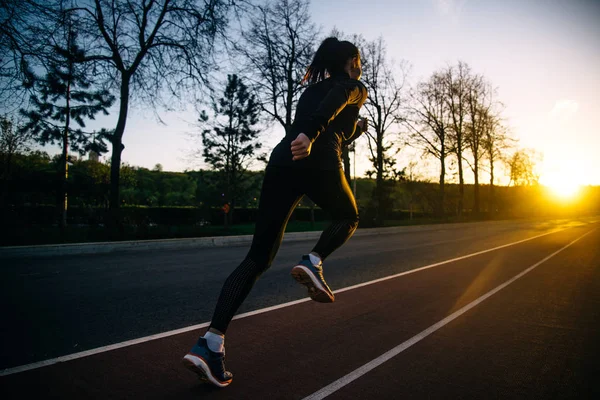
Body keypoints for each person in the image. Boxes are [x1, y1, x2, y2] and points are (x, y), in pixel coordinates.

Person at [182, 37, 369, 388]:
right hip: (317, 156)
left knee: (257, 258)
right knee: (350, 216)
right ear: (351, 61)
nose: (361, 66)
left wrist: (355, 130)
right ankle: (314, 261)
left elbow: (335, 125)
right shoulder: (355, 87)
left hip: (284, 160)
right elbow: (339, 100)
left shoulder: (309, 93)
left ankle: (210, 343)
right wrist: (314, 132)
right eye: (358, 61)